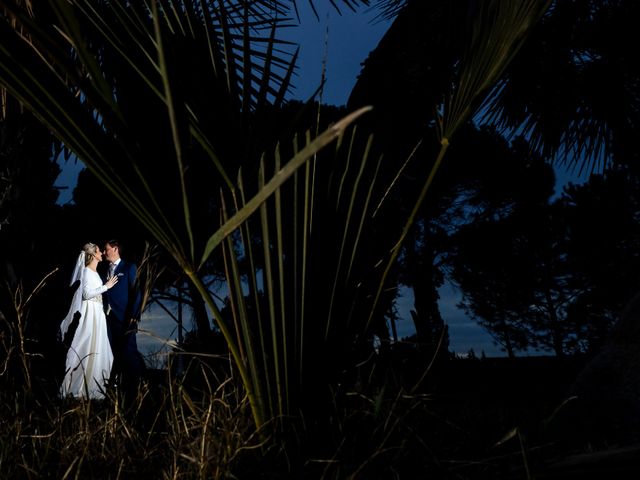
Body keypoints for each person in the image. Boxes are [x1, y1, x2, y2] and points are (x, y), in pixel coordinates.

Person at [59, 243, 119, 399]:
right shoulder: (86, 271)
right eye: (99, 251)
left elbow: (96, 294)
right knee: (86, 346)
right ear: (92, 255)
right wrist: (106, 287)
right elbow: (86, 293)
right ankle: (78, 388)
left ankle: (96, 387)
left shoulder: (95, 273)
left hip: (98, 313)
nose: (102, 253)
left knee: (101, 349)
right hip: (90, 314)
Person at [102, 239, 145, 396]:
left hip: (126, 318)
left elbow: (136, 292)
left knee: (129, 352)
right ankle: (116, 390)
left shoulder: (128, 267)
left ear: (115, 248)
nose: (104, 251)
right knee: (114, 354)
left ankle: (138, 387)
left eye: (106, 249)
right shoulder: (105, 270)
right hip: (109, 319)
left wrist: (134, 316)